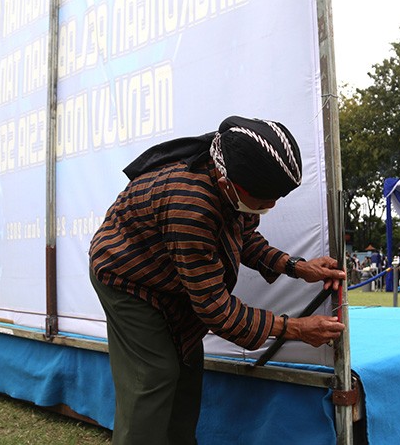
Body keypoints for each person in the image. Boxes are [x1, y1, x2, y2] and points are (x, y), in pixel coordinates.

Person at [88, 116, 346, 444]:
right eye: (265, 200)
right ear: (228, 183)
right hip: (126, 275)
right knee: (153, 375)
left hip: (173, 277)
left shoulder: (233, 175)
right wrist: (294, 329)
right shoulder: (189, 204)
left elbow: (242, 237)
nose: (271, 205)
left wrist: (295, 266)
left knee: (188, 364)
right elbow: (215, 309)